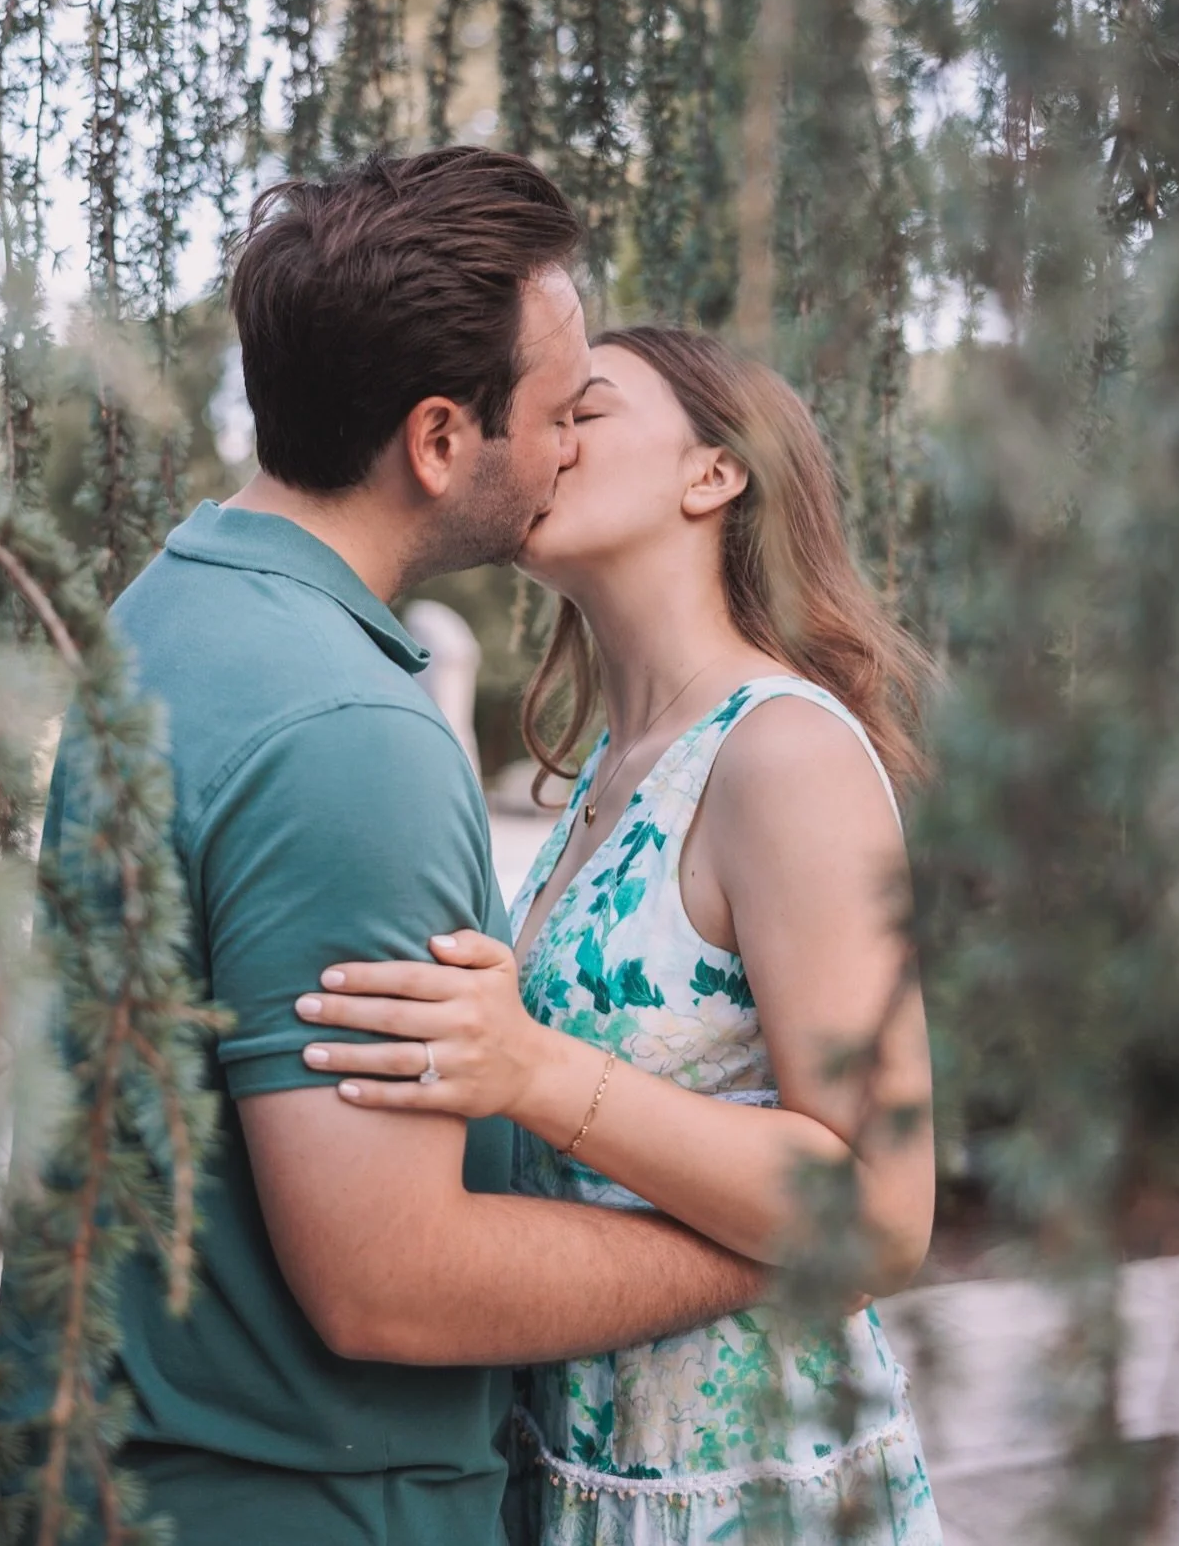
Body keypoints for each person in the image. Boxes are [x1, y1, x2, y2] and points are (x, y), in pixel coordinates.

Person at [0, 154, 775, 1546]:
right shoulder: (351, 731)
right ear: (434, 440)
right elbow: (390, 1281)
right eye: (553, 412)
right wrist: (755, 1245)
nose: (562, 452)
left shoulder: (166, 611)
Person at [293, 327, 945, 1544]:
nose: (540, 437)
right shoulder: (613, 767)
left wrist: (534, 1071)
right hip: (578, 1480)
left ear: (713, 475)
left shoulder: (784, 754)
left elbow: (885, 1214)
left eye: (583, 410)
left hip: (756, 1499)